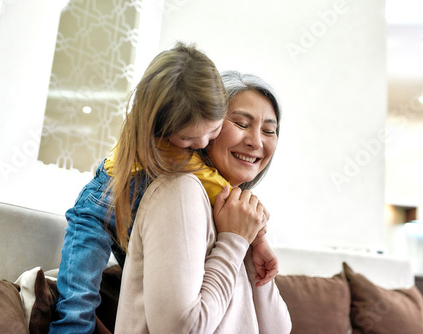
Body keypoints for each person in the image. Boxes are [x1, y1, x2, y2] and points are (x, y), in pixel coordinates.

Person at [50, 43, 279, 333]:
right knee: (76, 306)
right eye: (189, 139)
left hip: (137, 213)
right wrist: (253, 237)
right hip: (101, 208)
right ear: (160, 128)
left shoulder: (191, 166)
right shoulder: (172, 161)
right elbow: (218, 188)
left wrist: (252, 239)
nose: (201, 145)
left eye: (212, 131)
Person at [114, 70, 292, 333]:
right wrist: (233, 243)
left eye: (269, 130)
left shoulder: (238, 213)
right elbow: (181, 328)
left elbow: (277, 330)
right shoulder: (180, 190)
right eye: (241, 124)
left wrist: (250, 249)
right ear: (207, 125)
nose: (256, 142)